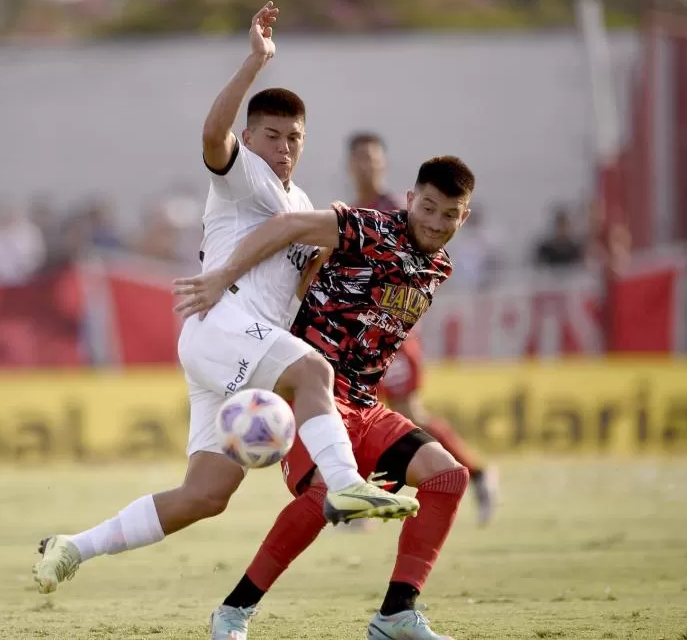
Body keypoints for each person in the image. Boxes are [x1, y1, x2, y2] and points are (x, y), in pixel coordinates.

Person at [31, 1, 418, 596]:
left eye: (294, 137)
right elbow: (212, 136)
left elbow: (305, 281)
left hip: (237, 348)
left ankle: (70, 548)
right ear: (250, 137)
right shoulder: (243, 178)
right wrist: (254, 62)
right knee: (310, 370)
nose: (284, 147)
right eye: (271, 135)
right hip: (224, 327)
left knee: (205, 496)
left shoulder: (301, 200)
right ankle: (343, 483)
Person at [176, 156, 476, 640]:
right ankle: (233, 612)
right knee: (322, 497)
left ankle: (396, 615)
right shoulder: (367, 226)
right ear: (409, 200)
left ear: (464, 216)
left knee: (447, 477)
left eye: (449, 214)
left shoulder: (439, 266)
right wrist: (224, 275)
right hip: (309, 393)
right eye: (428, 207)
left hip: (366, 403)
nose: (436, 222)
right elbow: (289, 225)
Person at [348, 131, 498, 527]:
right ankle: (358, 495)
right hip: (358, 341)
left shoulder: (401, 210)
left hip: (393, 340)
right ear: (350, 165)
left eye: (374, 158)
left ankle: (476, 474)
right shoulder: (353, 212)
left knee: (408, 415)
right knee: (356, 414)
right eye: (361, 158)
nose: (369, 165)